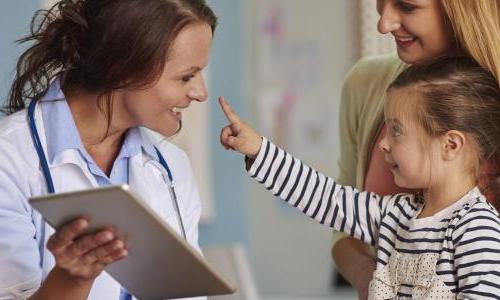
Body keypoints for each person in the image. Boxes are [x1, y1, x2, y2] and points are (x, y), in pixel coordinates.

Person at [219, 56, 500, 298]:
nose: (383, 144)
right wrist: (258, 150)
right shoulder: (394, 214)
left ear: (450, 145)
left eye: (397, 131)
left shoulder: (477, 229)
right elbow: (325, 198)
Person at [0, 0, 216, 299]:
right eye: (186, 76)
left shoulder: (171, 166)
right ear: (123, 68)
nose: (201, 93)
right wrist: (72, 279)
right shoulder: (8, 158)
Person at [334, 0, 500, 297]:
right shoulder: (365, 83)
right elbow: (342, 223)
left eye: (407, 6)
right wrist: (370, 279)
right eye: (380, 2)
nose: (383, 25)